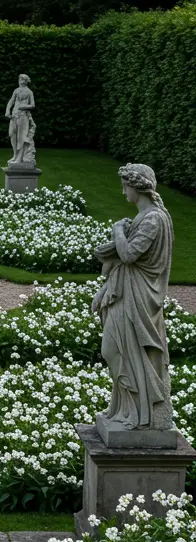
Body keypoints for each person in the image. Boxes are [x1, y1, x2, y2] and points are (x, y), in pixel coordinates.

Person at [91, 162, 174, 434]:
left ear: (137, 187)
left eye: (125, 185)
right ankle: (124, 408)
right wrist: (105, 290)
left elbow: (128, 256)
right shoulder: (146, 217)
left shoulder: (153, 219)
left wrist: (117, 230)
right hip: (128, 292)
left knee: (116, 350)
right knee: (117, 351)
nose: (122, 191)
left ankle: (137, 414)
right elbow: (125, 262)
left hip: (138, 299)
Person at [5, 74, 36, 166]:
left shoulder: (29, 92)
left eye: (22, 79)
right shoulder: (16, 90)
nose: (20, 81)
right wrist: (7, 111)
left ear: (25, 81)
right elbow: (11, 101)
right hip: (14, 115)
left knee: (21, 136)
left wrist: (22, 107)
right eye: (19, 79)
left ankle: (19, 158)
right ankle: (15, 155)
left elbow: (32, 105)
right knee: (12, 134)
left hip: (23, 116)